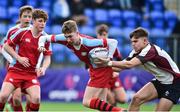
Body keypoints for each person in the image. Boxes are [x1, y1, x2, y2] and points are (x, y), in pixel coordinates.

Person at [38, 20, 126, 112]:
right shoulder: (65, 39)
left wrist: (109, 58)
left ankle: (119, 111)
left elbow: (113, 42)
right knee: (101, 103)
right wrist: (40, 45)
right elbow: (43, 38)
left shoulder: (88, 42)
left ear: (77, 33)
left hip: (100, 70)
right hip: (95, 69)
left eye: (70, 36)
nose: (68, 40)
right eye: (66, 37)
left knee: (86, 101)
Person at [95, 27, 180, 111]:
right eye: (132, 42)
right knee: (136, 99)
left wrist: (107, 63)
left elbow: (129, 65)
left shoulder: (150, 50)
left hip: (174, 83)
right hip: (160, 81)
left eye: (136, 41)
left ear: (145, 41)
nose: (133, 44)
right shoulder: (135, 52)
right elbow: (120, 67)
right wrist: (99, 68)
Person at [0, 9, 52, 111]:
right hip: (15, 71)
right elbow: (6, 46)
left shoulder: (46, 38)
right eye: (40, 21)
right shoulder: (22, 32)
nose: (43, 24)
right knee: (4, 97)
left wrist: (44, 68)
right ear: (34, 21)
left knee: (36, 99)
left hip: (31, 73)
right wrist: (18, 58)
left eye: (44, 22)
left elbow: (47, 57)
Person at [0, 5, 34, 111]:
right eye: (25, 16)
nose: (28, 19)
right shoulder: (12, 31)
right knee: (17, 98)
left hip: (29, 69)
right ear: (20, 17)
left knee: (31, 99)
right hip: (15, 68)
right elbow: (3, 48)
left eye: (30, 16)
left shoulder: (35, 30)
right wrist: (12, 60)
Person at [95, 24, 126, 105]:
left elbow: (120, 60)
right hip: (102, 78)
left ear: (107, 35)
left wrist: (117, 72)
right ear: (97, 35)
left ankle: (108, 101)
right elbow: (87, 65)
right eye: (100, 35)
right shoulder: (93, 47)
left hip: (112, 76)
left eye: (104, 35)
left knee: (123, 99)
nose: (102, 37)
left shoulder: (112, 46)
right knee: (111, 101)